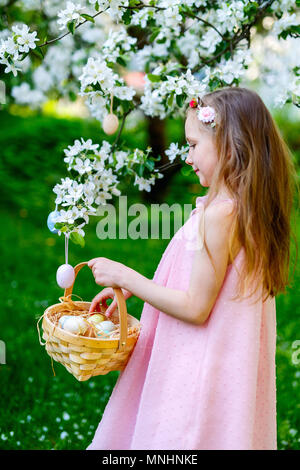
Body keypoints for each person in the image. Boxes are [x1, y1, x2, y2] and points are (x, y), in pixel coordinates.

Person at [86, 86, 297, 450]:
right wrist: (137, 290)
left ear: (229, 145)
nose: (187, 157)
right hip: (214, 369)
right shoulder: (238, 210)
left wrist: (124, 275)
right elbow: (197, 285)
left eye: (193, 144)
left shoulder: (222, 215)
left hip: (195, 372)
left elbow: (197, 307)